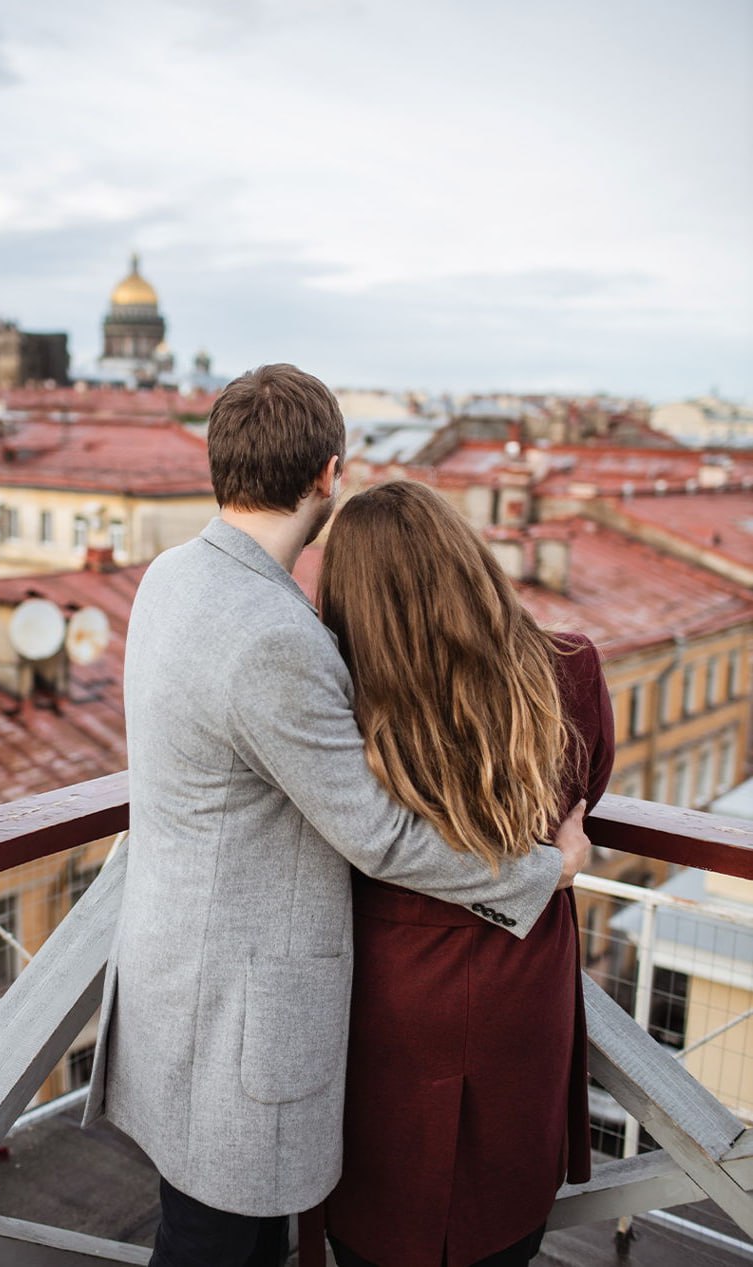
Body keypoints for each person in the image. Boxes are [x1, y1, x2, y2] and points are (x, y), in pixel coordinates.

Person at [82, 366, 591, 1267]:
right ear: (326, 473)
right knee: (217, 1247)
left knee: (197, 1231)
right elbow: (380, 834)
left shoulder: (172, 574)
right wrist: (541, 871)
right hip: (240, 1013)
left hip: (171, 973)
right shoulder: (277, 636)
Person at [317, 481, 615, 1267]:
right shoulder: (570, 670)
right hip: (522, 982)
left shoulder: (343, 703)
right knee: (502, 1213)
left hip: (386, 993)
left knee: (377, 1221)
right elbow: (586, 793)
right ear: (470, 559)